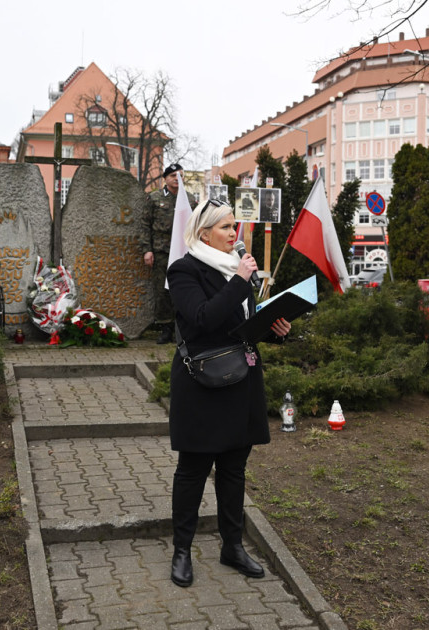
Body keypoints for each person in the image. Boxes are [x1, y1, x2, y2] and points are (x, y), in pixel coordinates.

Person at [165, 198, 291, 588]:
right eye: (226, 227)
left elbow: (238, 326)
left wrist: (273, 328)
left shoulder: (237, 273)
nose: (235, 233)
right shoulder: (183, 270)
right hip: (202, 382)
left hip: (241, 380)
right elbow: (203, 320)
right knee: (194, 470)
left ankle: (232, 547)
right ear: (204, 233)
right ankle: (182, 551)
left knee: (234, 470)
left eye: (235, 226)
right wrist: (239, 280)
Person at [142, 163, 196, 344]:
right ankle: (165, 328)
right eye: (172, 175)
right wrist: (147, 250)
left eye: (179, 175)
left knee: (184, 289)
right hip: (162, 251)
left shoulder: (189, 199)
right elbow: (145, 225)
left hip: (184, 251)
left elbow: (196, 225)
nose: (176, 178)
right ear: (165, 178)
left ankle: (182, 327)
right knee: (162, 291)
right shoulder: (155, 198)